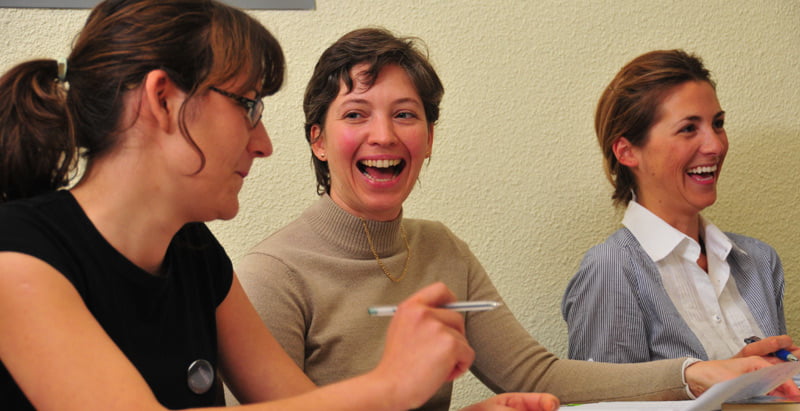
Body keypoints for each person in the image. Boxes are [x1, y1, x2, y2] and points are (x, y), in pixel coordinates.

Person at [0, 2, 561, 410]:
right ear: (163, 99)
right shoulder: (17, 257)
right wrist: (390, 383)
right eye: (247, 105)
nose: (264, 143)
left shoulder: (196, 253)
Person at [236, 28, 800, 410]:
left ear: (429, 139)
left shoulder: (441, 249)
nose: (383, 135)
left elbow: (537, 374)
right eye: (356, 115)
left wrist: (693, 374)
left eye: (405, 115)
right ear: (318, 140)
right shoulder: (273, 274)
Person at [560, 49, 796, 365]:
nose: (716, 145)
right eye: (688, 128)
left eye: (718, 123)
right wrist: (727, 381)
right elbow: (601, 394)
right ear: (627, 151)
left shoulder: (760, 261)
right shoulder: (611, 270)